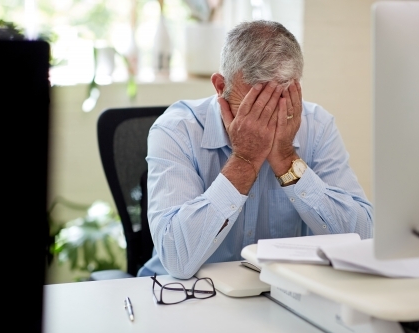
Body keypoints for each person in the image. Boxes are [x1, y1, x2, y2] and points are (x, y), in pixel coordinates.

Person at [138, 20, 373, 279]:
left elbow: (364, 240)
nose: (267, 122)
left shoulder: (317, 126)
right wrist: (244, 159)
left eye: (280, 103)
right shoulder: (177, 130)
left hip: (277, 293)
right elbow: (176, 257)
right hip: (183, 294)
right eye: (254, 108)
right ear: (220, 87)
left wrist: (287, 160)